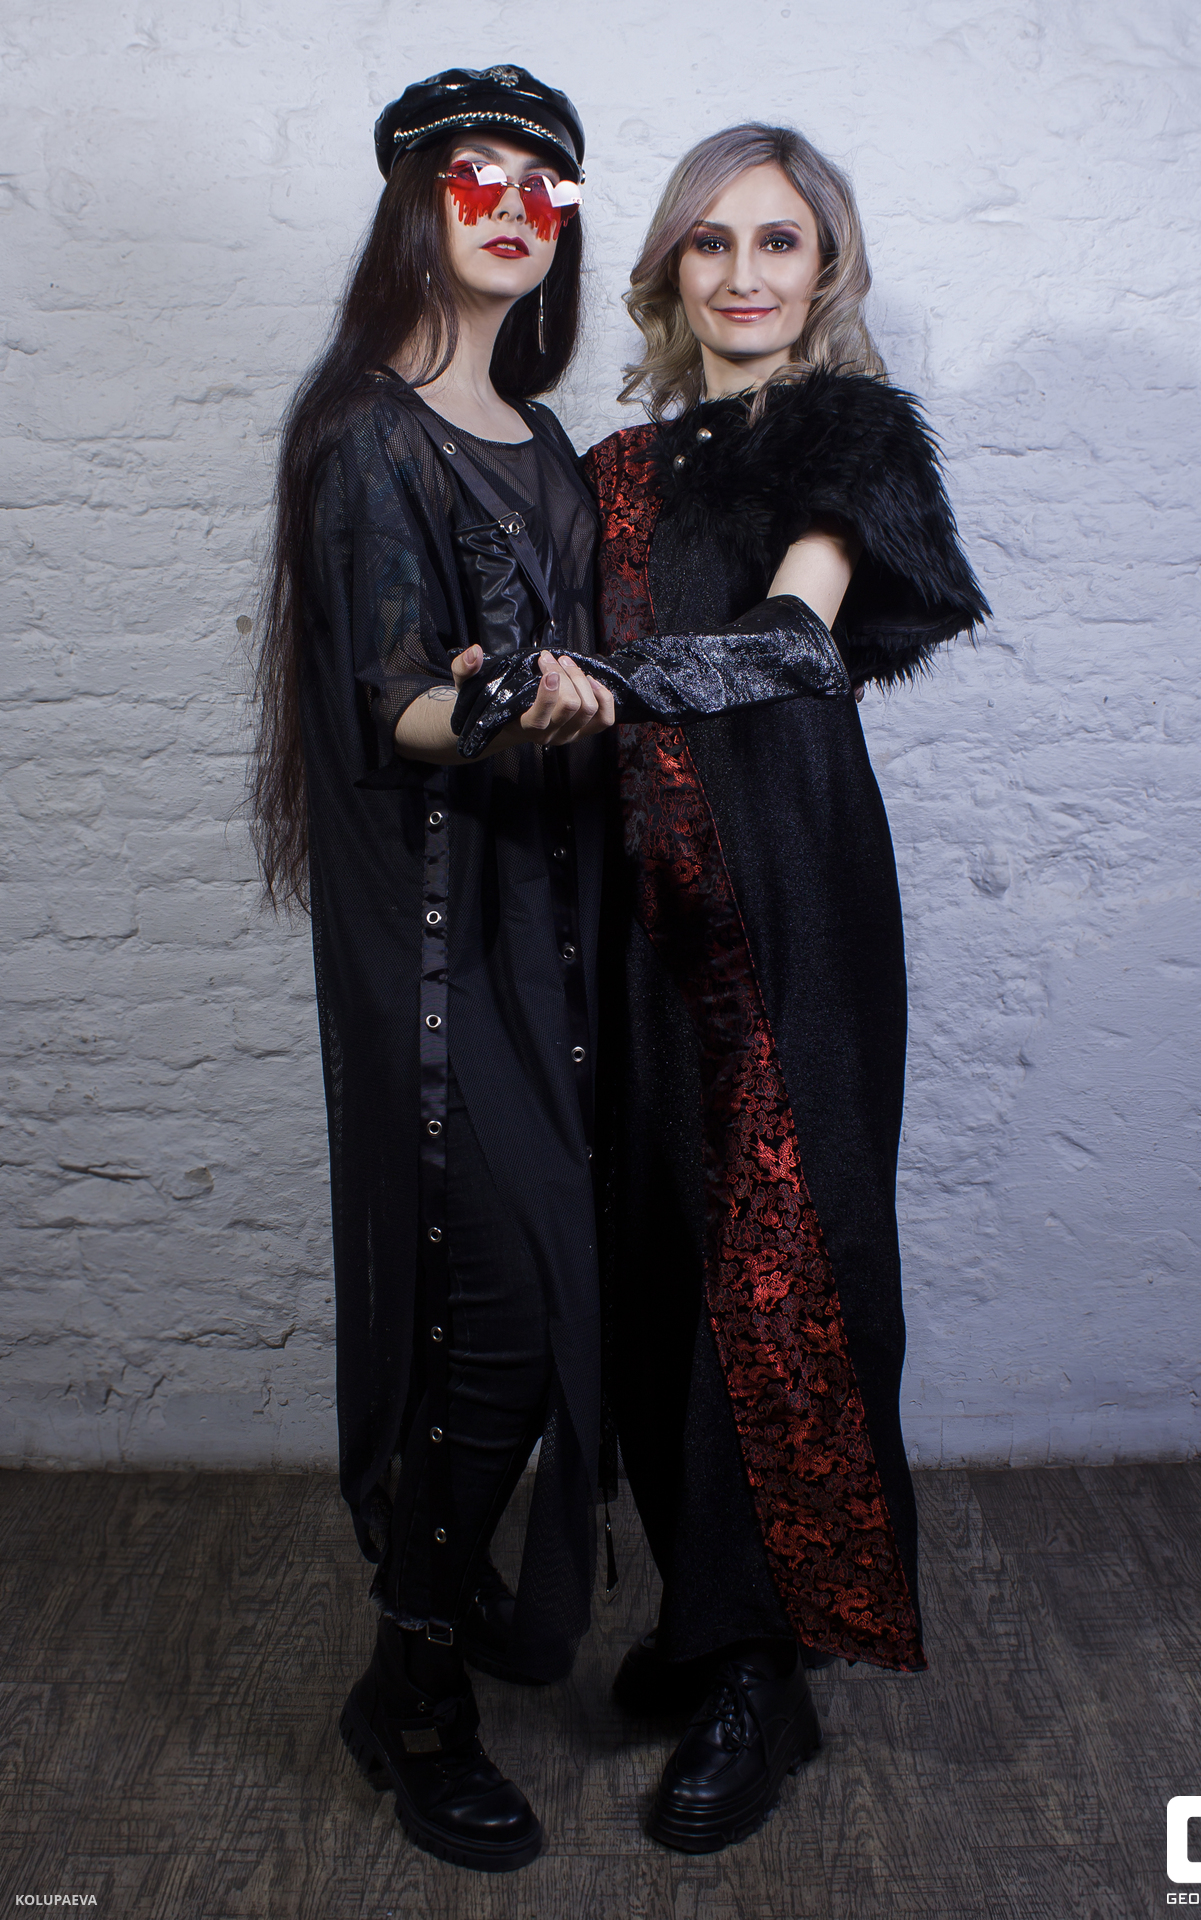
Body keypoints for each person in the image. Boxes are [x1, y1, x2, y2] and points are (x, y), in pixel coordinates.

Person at [249, 70, 851, 1873]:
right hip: (443, 946)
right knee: (494, 1323)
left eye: (545, 185)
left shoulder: (538, 434)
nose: (511, 206)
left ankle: (485, 1667)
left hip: (575, 935)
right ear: (412, 206)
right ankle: (413, 1699)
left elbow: (728, 646)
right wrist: (508, 702)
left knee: (572, 1302)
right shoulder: (365, 436)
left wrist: (596, 694)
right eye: (474, 178)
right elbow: (396, 706)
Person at [582, 123, 990, 1855]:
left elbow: (793, 640)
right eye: (710, 243)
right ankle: (708, 1616)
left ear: (825, 270)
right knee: (653, 1245)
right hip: (631, 896)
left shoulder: (846, 432)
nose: (742, 274)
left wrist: (586, 680)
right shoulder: (610, 464)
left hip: (788, 889)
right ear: (668, 269)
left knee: (784, 1258)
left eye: (777, 242)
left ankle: (764, 1668)